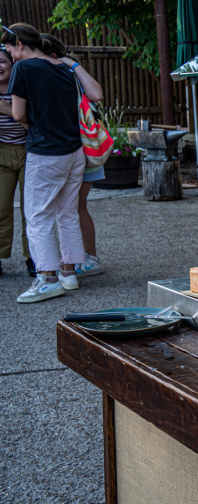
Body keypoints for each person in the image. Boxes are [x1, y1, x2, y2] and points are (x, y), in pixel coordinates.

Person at [2, 23, 97, 303]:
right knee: (66, 213)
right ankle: (69, 272)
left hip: (45, 152)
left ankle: (48, 278)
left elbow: (19, 114)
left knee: (37, 216)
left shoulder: (23, 69)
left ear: (19, 43)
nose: (9, 54)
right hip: (74, 151)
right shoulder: (63, 68)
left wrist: (33, 122)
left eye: (9, 48)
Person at [41, 33, 104, 277]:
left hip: (80, 147)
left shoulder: (68, 74)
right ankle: (80, 258)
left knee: (76, 206)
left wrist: (73, 65)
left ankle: (86, 258)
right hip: (74, 148)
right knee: (74, 206)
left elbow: (96, 95)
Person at [0, 44, 33, 277]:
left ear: (13, 63)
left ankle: (34, 258)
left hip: (30, 152)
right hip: (2, 153)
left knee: (30, 211)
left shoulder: (24, 88)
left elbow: (35, 127)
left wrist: (7, 109)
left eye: (2, 61)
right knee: (1, 209)